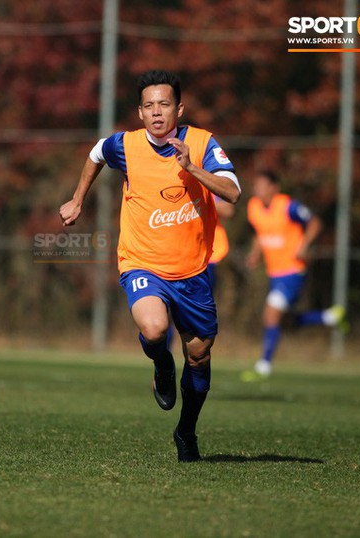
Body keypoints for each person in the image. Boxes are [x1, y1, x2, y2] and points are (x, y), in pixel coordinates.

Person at [59, 70, 240, 462]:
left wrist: (192, 168)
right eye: (149, 106)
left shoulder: (202, 142)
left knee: (200, 356)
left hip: (193, 271)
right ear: (140, 113)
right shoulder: (125, 145)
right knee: (155, 329)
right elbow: (95, 154)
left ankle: (186, 431)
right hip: (141, 262)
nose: (157, 113)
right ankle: (160, 364)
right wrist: (77, 200)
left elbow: (232, 192)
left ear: (179, 107)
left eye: (164, 104)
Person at [241, 170, 347, 381]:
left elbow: (315, 223)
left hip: (293, 270)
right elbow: (258, 233)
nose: (258, 189)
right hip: (274, 271)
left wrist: (304, 245)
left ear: (274, 187)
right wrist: (255, 253)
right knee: (284, 322)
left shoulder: (288, 206)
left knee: (270, 315)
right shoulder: (253, 207)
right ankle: (331, 317)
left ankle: (264, 366)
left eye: (262, 185)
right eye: (256, 185)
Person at [206, 196, 234, 289]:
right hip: (177, 255)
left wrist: (199, 201)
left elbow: (228, 209)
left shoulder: (210, 184)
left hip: (208, 255)